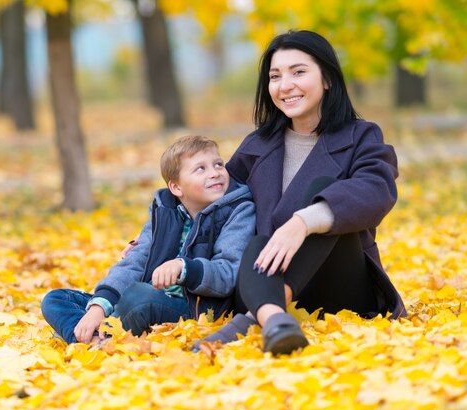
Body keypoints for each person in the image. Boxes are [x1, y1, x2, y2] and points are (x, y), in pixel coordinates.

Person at [193, 30, 406, 356]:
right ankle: (276, 319)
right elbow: (214, 200)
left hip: (340, 288)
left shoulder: (361, 136)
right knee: (259, 241)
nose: (285, 85)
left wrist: (304, 222)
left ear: (327, 80)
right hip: (260, 279)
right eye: (275, 76)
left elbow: (377, 189)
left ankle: (254, 320)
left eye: (299, 72)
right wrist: (158, 230)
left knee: (325, 193)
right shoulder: (256, 146)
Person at [41, 135, 256, 344]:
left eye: (218, 164)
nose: (215, 173)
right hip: (144, 298)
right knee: (56, 299)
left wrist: (184, 268)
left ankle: (88, 336)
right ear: (176, 187)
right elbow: (135, 262)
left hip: (193, 308)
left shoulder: (239, 211)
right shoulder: (164, 212)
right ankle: (96, 339)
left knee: (138, 297)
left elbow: (228, 272)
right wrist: (99, 306)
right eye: (201, 168)